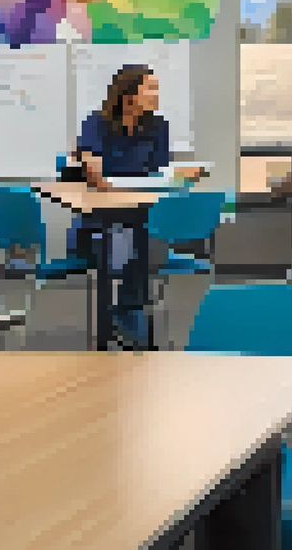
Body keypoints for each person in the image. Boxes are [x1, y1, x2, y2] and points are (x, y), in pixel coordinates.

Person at [73, 64, 202, 349]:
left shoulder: (158, 127)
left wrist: (180, 177)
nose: (156, 95)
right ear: (129, 94)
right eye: (151, 88)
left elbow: (158, 174)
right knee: (130, 240)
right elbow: (93, 175)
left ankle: (128, 310)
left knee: (144, 236)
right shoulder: (97, 122)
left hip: (139, 214)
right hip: (97, 220)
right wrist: (116, 183)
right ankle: (124, 314)